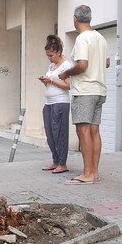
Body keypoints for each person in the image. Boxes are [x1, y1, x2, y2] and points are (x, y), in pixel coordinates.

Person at [58, 4, 109, 185]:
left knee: (83, 130)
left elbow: (82, 65)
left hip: (85, 91)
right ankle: (94, 172)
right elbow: (107, 62)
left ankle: (87, 174)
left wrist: (66, 74)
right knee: (94, 130)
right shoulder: (100, 38)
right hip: (99, 89)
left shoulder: (82, 38)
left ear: (75, 19)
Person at [38, 34, 72, 175]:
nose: (49, 58)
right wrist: (45, 80)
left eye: (51, 55)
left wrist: (51, 81)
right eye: (47, 55)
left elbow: (67, 85)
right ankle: (55, 160)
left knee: (60, 133)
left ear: (58, 52)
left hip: (60, 102)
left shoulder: (66, 65)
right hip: (49, 102)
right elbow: (51, 83)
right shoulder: (51, 65)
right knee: (50, 133)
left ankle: (62, 163)